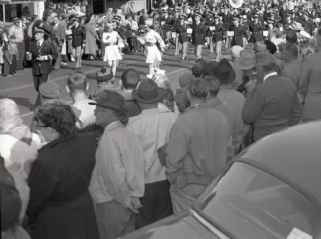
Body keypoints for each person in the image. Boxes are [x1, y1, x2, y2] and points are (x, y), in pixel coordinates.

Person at [27, 103, 99, 239]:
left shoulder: (46, 160)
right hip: (84, 208)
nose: (37, 130)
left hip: (58, 220)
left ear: (51, 129)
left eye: (39, 126)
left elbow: (35, 200)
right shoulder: (87, 141)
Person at [166, 76, 229, 213]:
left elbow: (174, 158)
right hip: (215, 182)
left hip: (189, 184)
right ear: (207, 94)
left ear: (188, 94)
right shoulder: (221, 118)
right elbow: (229, 150)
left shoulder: (184, 121)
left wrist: (172, 179)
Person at [89, 90, 144, 239]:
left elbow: (113, 177)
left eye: (98, 109)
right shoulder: (129, 134)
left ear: (108, 112)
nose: (94, 112)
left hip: (112, 203)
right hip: (128, 200)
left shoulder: (109, 138)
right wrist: (132, 198)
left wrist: (125, 201)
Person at [127, 79, 177, 229]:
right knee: (165, 226)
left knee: (144, 228)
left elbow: (132, 161)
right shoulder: (172, 118)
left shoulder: (133, 125)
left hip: (144, 183)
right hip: (167, 179)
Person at [242, 53, 301, 144]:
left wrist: (250, 92)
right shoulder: (289, 83)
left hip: (263, 140)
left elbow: (247, 118)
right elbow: (296, 114)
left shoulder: (261, 89)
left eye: (255, 69)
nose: (254, 72)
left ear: (260, 68)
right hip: (284, 136)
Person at [29, 28, 56, 102]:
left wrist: (45, 57)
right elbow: (29, 56)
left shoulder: (48, 43)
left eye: (37, 34)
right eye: (35, 34)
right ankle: (47, 99)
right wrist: (28, 57)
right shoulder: (32, 44)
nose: (35, 36)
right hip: (35, 68)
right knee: (37, 87)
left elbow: (55, 55)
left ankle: (43, 104)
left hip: (45, 68)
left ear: (42, 34)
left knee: (41, 87)